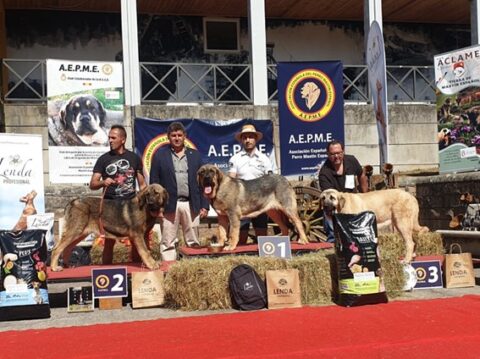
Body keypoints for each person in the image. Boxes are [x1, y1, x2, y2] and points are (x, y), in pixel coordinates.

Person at [149, 121, 209, 261]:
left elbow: (203, 182)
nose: (177, 138)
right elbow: (154, 183)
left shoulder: (195, 155)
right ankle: (169, 271)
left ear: (184, 136)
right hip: (169, 205)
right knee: (167, 242)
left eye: (179, 135)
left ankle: (192, 269)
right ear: (168, 137)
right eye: (173, 135)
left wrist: (204, 205)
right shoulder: (160, 155)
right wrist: (158, 208)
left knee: (193, 241)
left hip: (191, 204)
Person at [89, 124, 147, 264]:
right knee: (109, 243)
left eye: (113, 138)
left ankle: (136, 270)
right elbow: (92, 184)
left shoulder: (134, 158)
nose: (110, 140)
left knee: (136, 240)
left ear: (123, 139)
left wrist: (142, 201)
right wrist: (103, 182)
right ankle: (106, 274)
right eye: (109, 137)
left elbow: (143, 184)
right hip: (110, 206)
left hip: (130, 206)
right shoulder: (103, 159)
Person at [228, 124, 276, 244]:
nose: (248, 140)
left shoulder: (265, 158)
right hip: (241, 204)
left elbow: (270, 180)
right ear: (242, 140)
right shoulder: (235, 159)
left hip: (260, 202)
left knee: (262, 236)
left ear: (255, 139)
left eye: (250, 137)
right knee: (241, 237)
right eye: (245, 137)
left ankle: (262, 260)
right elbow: (230, 180)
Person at [318, 140, 368, 242]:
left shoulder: (351, 160)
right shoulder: (324, 173)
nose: (336, 156)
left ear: (343, 152)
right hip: (335, 203)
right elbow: (329, 198)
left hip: (353, 201)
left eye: (339, 153)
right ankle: (332, 241)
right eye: (332, 154)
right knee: (328, 210)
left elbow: (361, 174)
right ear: (328, 154)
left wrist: (364, 193)